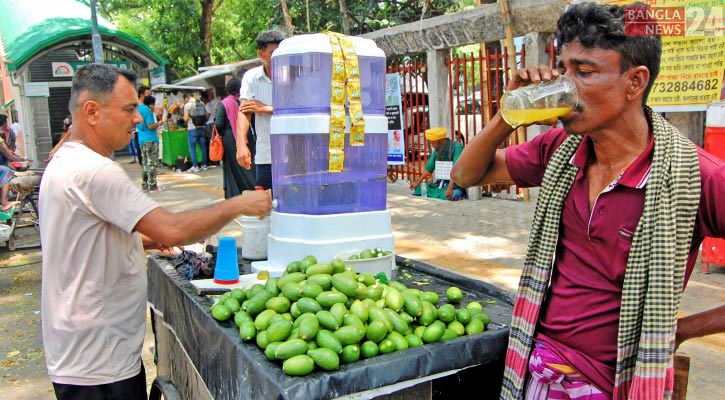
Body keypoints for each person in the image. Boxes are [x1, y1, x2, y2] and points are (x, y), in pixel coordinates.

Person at [450, 3, 725, 399]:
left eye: (585, 72)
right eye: (564, 69)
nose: (566, 85)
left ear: (635, 82)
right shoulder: (561, 149)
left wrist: (681, 329)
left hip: (619, 383)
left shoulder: (695, 175)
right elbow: (465, 174)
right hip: (538, 366)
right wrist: (507, 116)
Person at [38, 64, 273, 400]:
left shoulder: (63, 161)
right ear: (92, 112)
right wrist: (239, 204)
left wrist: (142, 240)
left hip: (79, 351)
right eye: (129, 109)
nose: (138, 118)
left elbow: (86, 238)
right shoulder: (96, 172)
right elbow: (172, 228)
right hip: (100, 361)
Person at [236, 30, 285, 190]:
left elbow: (299, 110)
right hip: (266, 155)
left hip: (294, 155)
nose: (279, 57)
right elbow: (244, 111)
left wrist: (265, 108)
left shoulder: (294, 75)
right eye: (273, 53)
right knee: (264, 206)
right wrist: (241, 145)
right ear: (261, 54)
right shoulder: (251, 77)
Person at [216, 78, 257, 198]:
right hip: (247, 135)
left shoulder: (225, 103)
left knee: (232, 166)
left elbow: (219, 123)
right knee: (250, 163)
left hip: (230, 138)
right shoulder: (245, 101)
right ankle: (254, 186)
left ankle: (233, 192)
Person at [409, 127, 465, 201]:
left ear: (441, 140)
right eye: (431, 143)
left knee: (447, 194)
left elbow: (456, 170)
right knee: (419, 188)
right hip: (440, 184)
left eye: (434, 143)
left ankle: (450, 193)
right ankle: (444, 193)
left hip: (455, 185)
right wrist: (417, 182)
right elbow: (428, 168)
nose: (433, 146)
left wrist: (450, 188)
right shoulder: (438, 149)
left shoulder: (457, 147)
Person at [137, 95, 162, 192]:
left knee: (145, 163)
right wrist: (159, 124)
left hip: (142, 139)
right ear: (150, 104)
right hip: (151, 139)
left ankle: (144, 185)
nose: (154, 107)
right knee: (152, 163)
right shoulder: (147, 110)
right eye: (153, 105)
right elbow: (150, 125)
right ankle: (153, 186)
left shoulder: (138, 108)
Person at [183, 93, 209, 172]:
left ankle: (195, 166)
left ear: (186, 98)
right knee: (203, 147)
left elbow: (186, 118)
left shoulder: (188, 105)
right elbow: (207, 114)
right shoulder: (201, 103)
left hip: (192, 128)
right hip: (202, 127)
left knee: (192, 148)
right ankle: (204, 165)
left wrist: (185, 118)